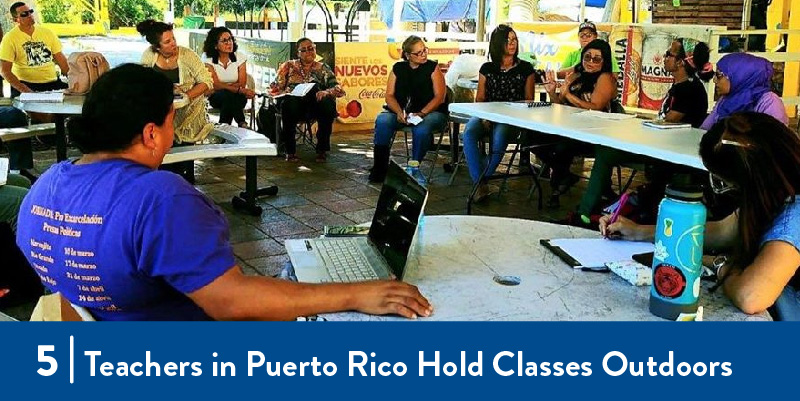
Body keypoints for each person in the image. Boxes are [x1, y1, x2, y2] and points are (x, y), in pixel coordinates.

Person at [15, 64, 433, 321]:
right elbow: (229, 302)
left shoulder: (46, 184)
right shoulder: (161, 198)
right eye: (169, 123)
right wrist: (358, 293)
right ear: (149, 132)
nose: (171, 133)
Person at [601, 112, 800, 320]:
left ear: (751, 181)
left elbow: (751, 296)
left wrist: (720, 265)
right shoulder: (773, 196)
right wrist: (639, 232)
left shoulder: (794, 215)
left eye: (725, 183)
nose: (722, 190)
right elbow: (724, 230)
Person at [574, 39, 714, 223]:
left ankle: (586, 210)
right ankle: (595, 203)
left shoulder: (689, 90)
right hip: (659, 145)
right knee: (604, 151)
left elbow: (667, 123)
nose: (664, 57)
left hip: (667, 152)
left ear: (681, 62)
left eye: (669, 54)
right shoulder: (681, 86)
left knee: (606, 153)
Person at [462, 25, 535, 201]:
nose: (512, 44)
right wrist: (487, 116)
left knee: (500, 135)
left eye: (514, 39)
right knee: (469, 132)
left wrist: (503, 114)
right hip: (486, 113)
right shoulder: (487, 68)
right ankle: (480, 184)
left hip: (512, 117)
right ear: (498, 43)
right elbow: (480, 98)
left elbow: (528, 100)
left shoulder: (526, 68)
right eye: (508, 40)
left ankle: (480, 181)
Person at [542, 39, 618, 207]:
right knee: (535, 137)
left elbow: (596, 107)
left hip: (593, 133)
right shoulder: (576, 74)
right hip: (568, 127)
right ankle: (564, 177)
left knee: (561, 145)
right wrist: (553, 92)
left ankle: (558, 187)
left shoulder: (605, 78)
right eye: (587, 57)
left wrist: (568, 95)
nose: (590, 62)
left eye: (596, 59)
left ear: (604, 61)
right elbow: (559, 105)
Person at [0, 2, 69, 181]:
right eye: (24, 14)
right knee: (21, 116)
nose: (30, 15)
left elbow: (61, 60)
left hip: (51, 82)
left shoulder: (47, 33)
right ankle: (23, 166)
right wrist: (26, 91)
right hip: (25, 84)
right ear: (15, 19)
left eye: (31, 12)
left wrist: (72, 78)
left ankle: (74, 151)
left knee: (81, 105)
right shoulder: (10, 38)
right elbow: (5, 71)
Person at [369, 35, 447, 183]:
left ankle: (414, 167)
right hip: (403, 111)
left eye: (424, 50)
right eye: (418, 53)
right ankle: (380, 167)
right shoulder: (398, 68)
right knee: (383, 120)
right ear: (407, 55)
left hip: (431, 112)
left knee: (421, 128)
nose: (423, 54)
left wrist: (422, 113)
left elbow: (439, 97)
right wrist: (398, 112)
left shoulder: (432, 68)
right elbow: (389, 95)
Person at [138, 19, 213, 144]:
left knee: (185, 160)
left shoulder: (188, 55)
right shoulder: (148, 55)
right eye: (167, 42)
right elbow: (142, 81)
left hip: (188, 115)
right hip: (160, 114)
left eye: (173, 38)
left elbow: (206, 81)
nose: (173, 43)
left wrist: (187, 96)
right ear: (157, 47)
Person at [272, 38, 344, 163]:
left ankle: (322, 149)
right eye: (304, 50)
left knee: (327, 103)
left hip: (315, 107)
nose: (308, 52)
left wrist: (326, 92)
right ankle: (290, 151)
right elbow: (274, 88)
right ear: (298, 53)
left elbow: (337, 88)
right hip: (294, 106)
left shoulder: (322, 68)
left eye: (311, 48)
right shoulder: (288, 66)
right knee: (289, 104)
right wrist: (286, 93)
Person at [701, 52, 789, 130]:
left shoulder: (769, 102)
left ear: (739, 76)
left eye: (719, 75)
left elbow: (775, 142)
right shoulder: (727, 99)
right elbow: (704, 130)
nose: (714, 80)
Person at [203, 27, 255, 127]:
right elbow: (215, 85)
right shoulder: (207, 58)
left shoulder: (239, 57)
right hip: (217, 97)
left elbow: (242, 83)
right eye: (224, 41)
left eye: (230, 39)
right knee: (227, 96)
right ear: (215, 45)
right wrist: (237, 89)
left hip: (238, 97)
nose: (229, 43)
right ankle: (242, 123)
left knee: (229, 97)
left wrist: (225, 86)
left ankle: (223, 129)